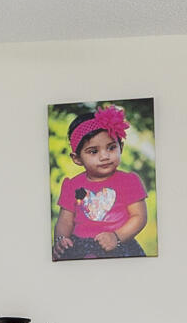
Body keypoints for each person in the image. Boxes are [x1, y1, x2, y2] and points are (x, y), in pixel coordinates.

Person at [53, 105, 149, 259]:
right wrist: (61, 239)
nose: (104, 156)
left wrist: (117, 237)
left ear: (121, 147)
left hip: (118, 245)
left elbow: (139, 217)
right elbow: (65, 221)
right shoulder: (72, 185)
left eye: (111, 148)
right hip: (80, 247)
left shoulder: (128, 181)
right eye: (93, 151)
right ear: (77, 158)